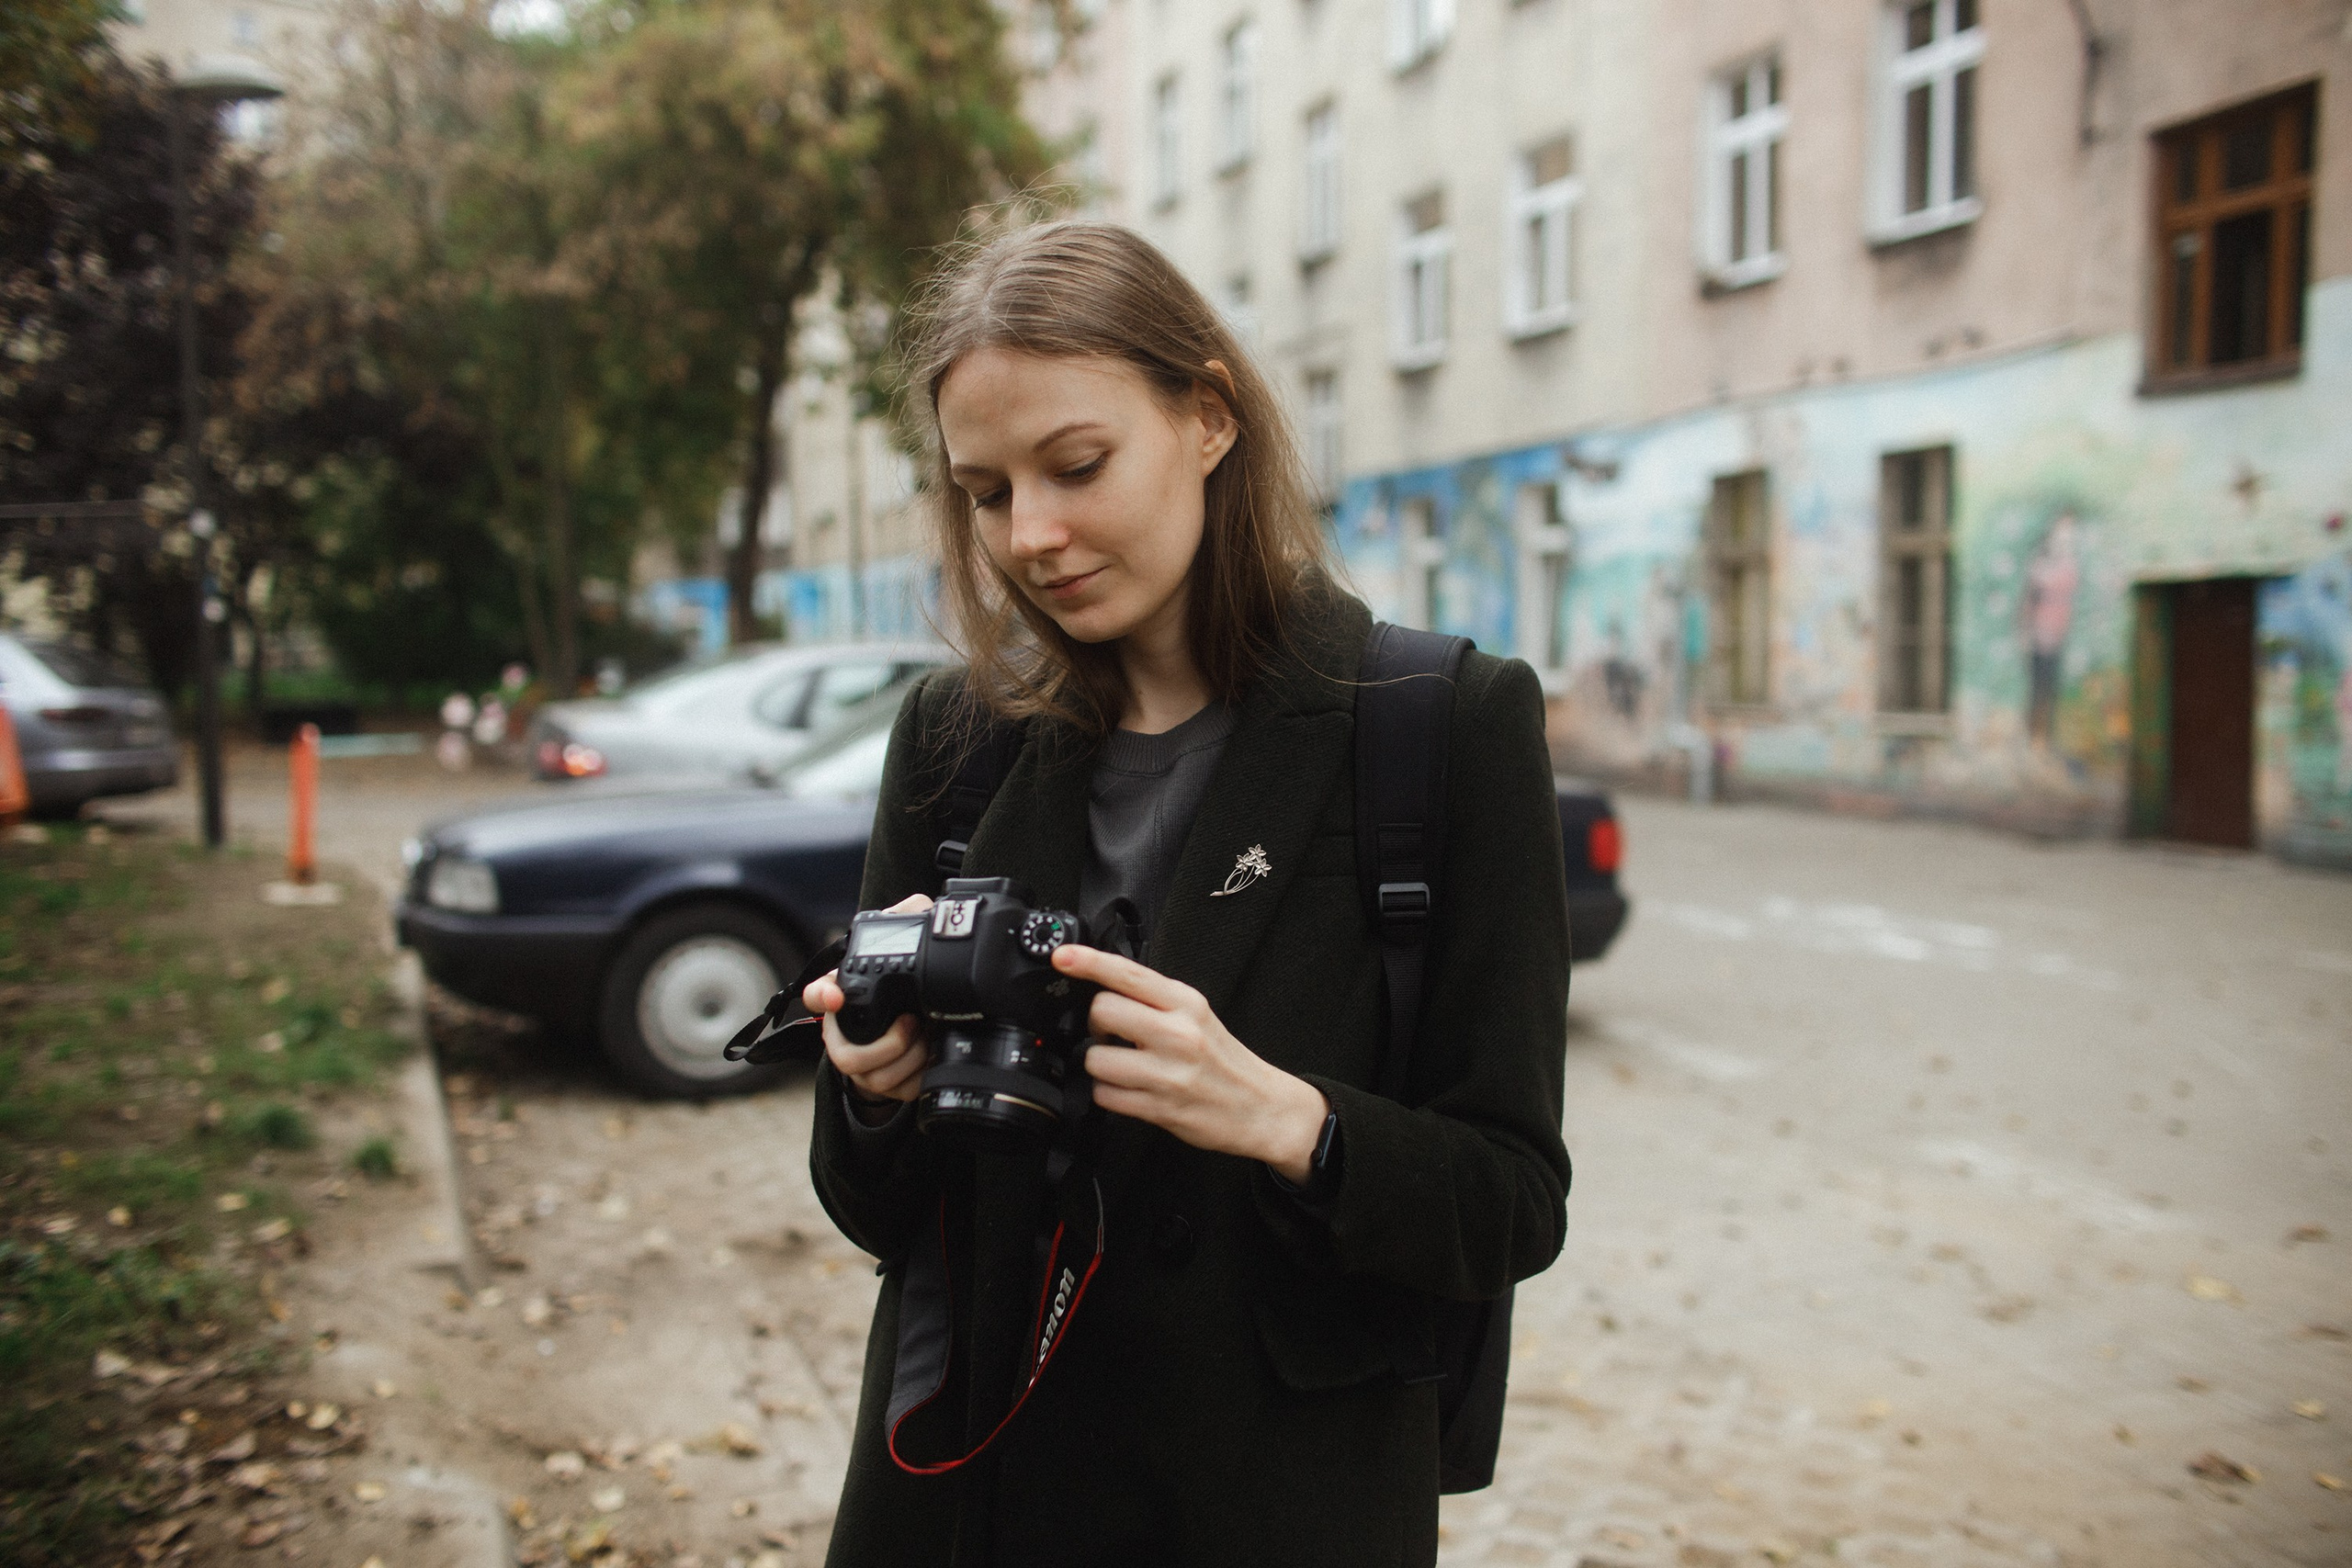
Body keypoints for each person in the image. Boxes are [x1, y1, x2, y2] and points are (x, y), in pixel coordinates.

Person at [800, 221, 1571, 1567]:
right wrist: (874, 1088)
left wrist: (1287, 1118)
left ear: (1208, 417)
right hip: (974, 1496)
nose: (1031, 535)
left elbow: (1510, 1201)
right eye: (985, 493)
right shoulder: (953, 742)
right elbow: (875, 1214)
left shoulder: (1439, 725)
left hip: (1271, 1505)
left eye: (1077, 466)